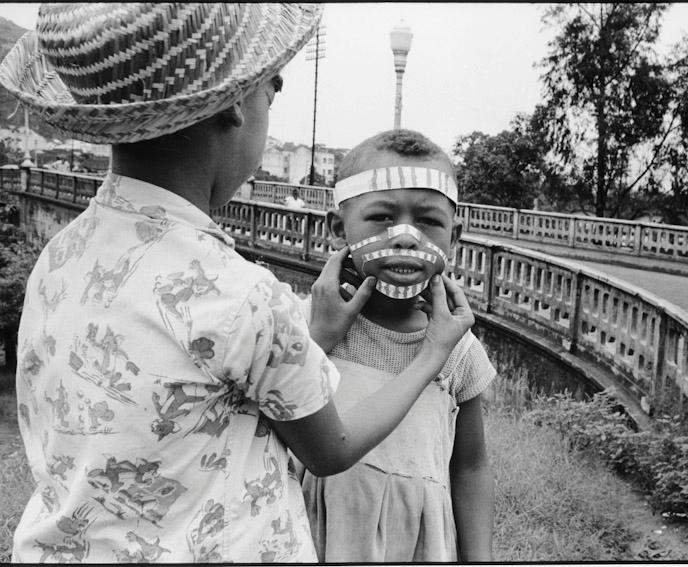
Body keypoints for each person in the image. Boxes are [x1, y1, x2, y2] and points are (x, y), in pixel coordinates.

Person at [0, 5, 475, 563]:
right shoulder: (244, 296)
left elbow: (202, 391)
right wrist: (433, 353)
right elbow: (331, 449)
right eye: (272, 91)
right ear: (234, 104)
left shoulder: (59, 257)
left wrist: (314, 338)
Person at [301, 129, 496, 562]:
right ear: (338, 228)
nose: (406, 236)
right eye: (382, 217)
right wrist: (315, 342)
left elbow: (470, 466)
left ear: (454, 236)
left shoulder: (459, 351)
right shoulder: (303, 326)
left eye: (428, 221)